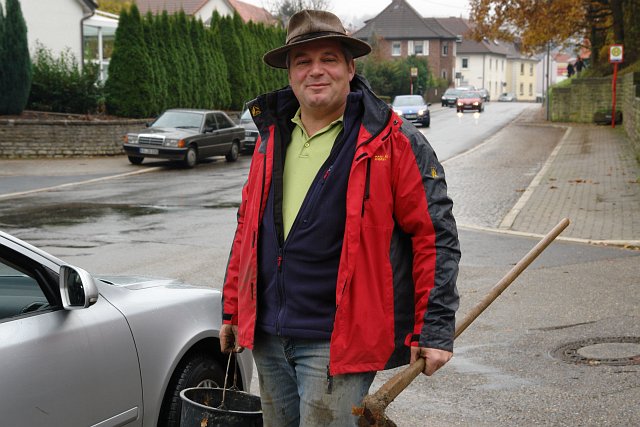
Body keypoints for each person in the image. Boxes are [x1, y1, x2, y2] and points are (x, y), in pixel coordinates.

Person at [219, 9, 460, 427]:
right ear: (290, 74)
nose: (315, 71)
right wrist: (233, 310)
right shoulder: (272, 137)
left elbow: (434, 236)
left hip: (337, 342)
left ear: (350, 68)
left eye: (328, 59)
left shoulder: (391, 140)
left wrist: (434, 327)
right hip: (269, 335)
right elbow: (248, 232)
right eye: (303, 61)